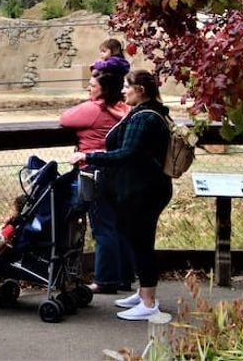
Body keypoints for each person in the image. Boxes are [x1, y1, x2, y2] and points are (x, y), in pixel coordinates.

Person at [70, 69, 172, 321]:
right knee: (139, 241)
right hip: (148, 188)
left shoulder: (143, 118)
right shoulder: (151, 113)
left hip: (143, 191)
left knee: (142, 244)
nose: (124, 90)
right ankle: (143, 293)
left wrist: (89, 156)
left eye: (128, 86)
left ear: (141, 90)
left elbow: (129, 153)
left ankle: (148, 303)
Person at [60, 63, 135, 294]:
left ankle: (105, 280)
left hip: (95, 171)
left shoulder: (94, 110)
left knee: (103, 228)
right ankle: (124, 276)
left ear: (102, 90)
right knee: (121, 225)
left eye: (92, 86)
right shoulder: (124, 110)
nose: (88, 89)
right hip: (119, 172)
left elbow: (65, 119)